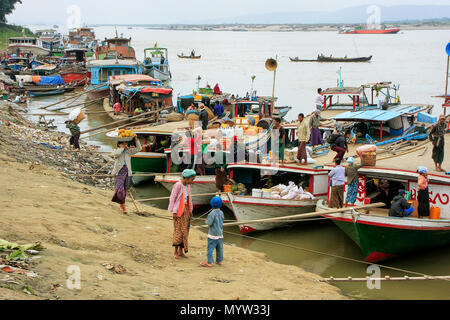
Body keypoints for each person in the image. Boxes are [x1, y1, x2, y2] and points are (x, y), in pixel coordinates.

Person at [168, 169, 196, 259]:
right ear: (187, 178)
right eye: (192, 179)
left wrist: (190, 211)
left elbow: (189, 199)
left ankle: (181, 251)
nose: (192, 181)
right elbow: (172, 198)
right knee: (178, 231)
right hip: (178, 211)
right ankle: (175, 252)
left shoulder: (187, 186)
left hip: (186, 210)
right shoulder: (178, 185)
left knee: (185, 231)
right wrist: (173, 211)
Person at [111, 135, 142, 215]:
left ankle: (122, 205)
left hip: (128, 172)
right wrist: (122, 148)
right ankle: (123, 206)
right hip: (119, 172)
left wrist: (136, 140)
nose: (125, 145)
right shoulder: (117, 150)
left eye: (126, 144)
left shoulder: (129, 151)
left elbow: (139, 149)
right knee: (120, 190)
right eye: (123, 144)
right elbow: (116, 154)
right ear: (119, 145)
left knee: (125, 189)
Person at [201, 196, 225, 268]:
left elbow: (209, 223)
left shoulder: (211, 213)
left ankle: (210, 262)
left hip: (213, 235)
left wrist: (206, 221)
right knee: (220, 248)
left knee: (210, 248)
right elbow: (222, 221)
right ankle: (219, 260)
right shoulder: (221, 213)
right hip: (220, 234)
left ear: (212, 204)